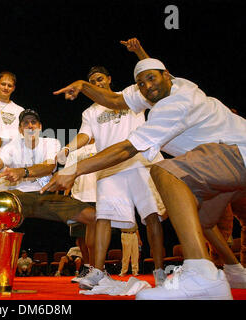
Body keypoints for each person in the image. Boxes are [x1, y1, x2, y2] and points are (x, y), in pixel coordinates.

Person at [44, 40, 246, 299]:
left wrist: (74, 170)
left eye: (151, 79)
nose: (147, 87)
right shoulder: (164, 89)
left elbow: (127, 149)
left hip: (235, 153)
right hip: (225, 165)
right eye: (141, 83)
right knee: (202, 220)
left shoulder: (177, 103)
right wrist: (84, 87)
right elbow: (116, 100)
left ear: (166, 75)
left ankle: (202, 275)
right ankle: (235, 270)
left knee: (165, 171)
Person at [0, 109, 96, 292]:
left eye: (33, 122)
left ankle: (96, 270)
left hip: (46, 195)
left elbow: (49, 166)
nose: (30, 126)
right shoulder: (12, 146)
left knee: (94, 216)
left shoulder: (50, 142)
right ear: (20, 129)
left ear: (40, 127)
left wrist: (22, 172)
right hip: (20, 197)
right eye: (25, 123)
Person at [56, 65, 166, 290]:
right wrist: (68, 148)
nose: (97, 84)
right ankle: (98, 272)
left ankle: (160, 270)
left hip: (138, 159)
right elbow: (85, 136)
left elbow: (157, 82)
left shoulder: (130, 95)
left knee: (151, 216)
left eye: (100, 79)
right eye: (93, 82)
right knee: (102, 217)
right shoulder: (89, 113)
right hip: (108, 166)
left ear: (108, 79)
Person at [62, 141, 98, 283]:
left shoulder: (102, 144)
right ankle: (87, 267)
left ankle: (97, 269)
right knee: (80, 237)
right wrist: (65, 196)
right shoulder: (75, 150)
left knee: (95, 238)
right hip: (77, 197)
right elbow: (68, 175)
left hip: (98, 196)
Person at [0, 71, 25, 192]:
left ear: (13, 88)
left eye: (9, 85)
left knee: (0, 202)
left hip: (5, 164)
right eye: (3, 84)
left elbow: (21, 138)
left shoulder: (19, 111)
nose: (6, 87)